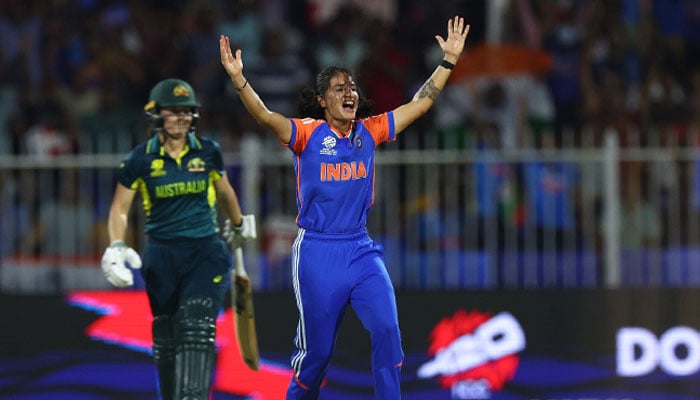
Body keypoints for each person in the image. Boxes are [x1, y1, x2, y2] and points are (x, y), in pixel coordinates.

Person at [220, 15, 469, 399]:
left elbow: (418, 106)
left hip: (360, 249)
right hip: (317, 253)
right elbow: (266, 117)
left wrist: (448, 61)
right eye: (338, 88)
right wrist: (239, 79)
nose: (349, 91)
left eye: (351, 86)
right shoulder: (307, 133)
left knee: (388, 331)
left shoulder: (369, 131)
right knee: (316, 356)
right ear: (323, 101)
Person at [100, 78, 256, 400]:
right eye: (174, 111)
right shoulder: (140, 160)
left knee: (198, 324)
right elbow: (119, 208)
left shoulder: (208, 151)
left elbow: (225, 192)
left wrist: (239, 226)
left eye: (187, 112)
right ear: (156, 114)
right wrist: (116, 245)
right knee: (167, 334)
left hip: (205, 251)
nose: (182, 118)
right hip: (161, 257)